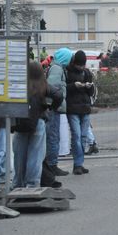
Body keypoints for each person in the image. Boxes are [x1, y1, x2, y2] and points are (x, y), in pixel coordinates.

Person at [12, 62, 62, 188]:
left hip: (20, 123)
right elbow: (58, 95)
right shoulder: (43, 86)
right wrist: (50, 108)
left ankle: (18, 183)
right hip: (38, 121)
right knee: (35, 156)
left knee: (19, 156)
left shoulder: (21, 85)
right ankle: (32, 184)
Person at [45, 47, 73, 176]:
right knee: (53, 137)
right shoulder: (57, 69)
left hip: (52, 108)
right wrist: (55, 104)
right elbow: (53, 88)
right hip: (53, 109)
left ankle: (51, 164)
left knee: (53, 136)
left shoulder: (56, 67)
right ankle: (52, 165)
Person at [66, 50, 94, 175]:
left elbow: (91, 93)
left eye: (83, 64)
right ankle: (77, 164)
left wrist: (89, 87)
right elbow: (64, 89)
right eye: (79, 64)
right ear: (75, 63)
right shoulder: (68, 72)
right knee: (77, 136)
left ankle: (79, 163)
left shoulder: (87, 73)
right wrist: (73, 86)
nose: (81, 67)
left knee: (82, 136)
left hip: (85, 108)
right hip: (73, 109)